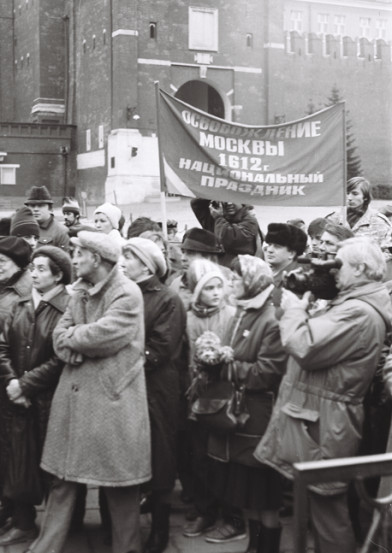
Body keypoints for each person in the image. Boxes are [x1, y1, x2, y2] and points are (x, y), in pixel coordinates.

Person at [254, 237, 392, 553]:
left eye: (338, 264)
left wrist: (293, 310)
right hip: (318, 418)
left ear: (358, 269)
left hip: (324, 423)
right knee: (321, 508)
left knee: (329, 514)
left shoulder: (357, 311)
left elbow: (304, 346)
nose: (332, 271)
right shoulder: (352, 304)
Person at [26, 231, 151, 553]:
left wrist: (75, 340)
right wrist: (75, 342)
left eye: (79, 253)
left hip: (112, 403)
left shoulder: (127, 292)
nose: (74, 259)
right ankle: (46, 548)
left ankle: (128, 549)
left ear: (96, 258)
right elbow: (59, 335)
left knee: (120, 487)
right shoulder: (79, 291)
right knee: (62, 480)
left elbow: (104, 336)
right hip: (75, 400)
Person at [204, 255, 286, 553]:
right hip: (242, 417)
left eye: (237, 279)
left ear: (253, 282)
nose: (231, 284)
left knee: (264, 496)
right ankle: (254, 546)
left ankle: (268, 548)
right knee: (248, 495)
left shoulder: (271, 319)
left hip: (258, 420)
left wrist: (225, 363)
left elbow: (267, 374)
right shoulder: (241, 313)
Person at [0, 246, 71, 546]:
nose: (34, 273)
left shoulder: (68, 307)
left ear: (58, 275)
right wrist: (12, 381)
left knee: (54, 467)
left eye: (42, 269)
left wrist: (26, 386)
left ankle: (66, 527)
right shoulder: (21, 303)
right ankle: (24, 521)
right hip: (18, 395)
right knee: (17, 459)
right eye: (33, 267)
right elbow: (2, 345)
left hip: (49, 397)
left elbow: (61, 357)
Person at [121, 237, 187, 553]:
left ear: (146, 265)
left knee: (160, 460)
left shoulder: (168, 300)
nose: (122, 262)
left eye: (129, 257)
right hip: (129, 387)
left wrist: (121, 362)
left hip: (158, 391)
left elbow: (160, 348)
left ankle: (160, 532)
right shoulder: (123, 293)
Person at [182, 259, 244, 541]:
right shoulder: (188, 318)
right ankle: (205, 510)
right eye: (209, 289)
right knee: (199, 457)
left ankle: (232, 515)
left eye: (220, 286)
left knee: (225, 458)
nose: (217, 293)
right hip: (196, 395)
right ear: (196, 292)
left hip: (224, 395)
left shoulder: (232, 314)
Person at [170, 227, 229, 310]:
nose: (183, 258)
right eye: (183, 252)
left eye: (190, 253)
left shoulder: (228, 281)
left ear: (208, 257)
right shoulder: (176, 284)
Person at [191, 199, 262, 267]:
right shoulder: (216, 216)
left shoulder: (250, 220)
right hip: (219, 271)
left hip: (239, 273)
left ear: (242, 200)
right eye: (224, 199)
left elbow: (228, 239)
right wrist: (215, 191)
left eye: (233, 198)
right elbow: (197, 203)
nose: (229, 203)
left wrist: (218, 218)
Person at [326, 177, 391, 246]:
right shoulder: (333, 219)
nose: (349, 198)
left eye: (355, 194)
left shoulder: (379, 222)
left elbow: (386, 252)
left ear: (365, 197)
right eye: (347, 193)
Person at [263, 223, 307, 313]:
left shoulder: (296, 281)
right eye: (269, 244)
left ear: (291, 253)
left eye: (277, 247)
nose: (270, 250)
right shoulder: (266, 272)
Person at [24, 186, 69, 251]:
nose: (36, 209)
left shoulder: (60, 231)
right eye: (32, 206)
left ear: (50, 209)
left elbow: (63, 259)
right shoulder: (22, 227)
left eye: (40, 206)